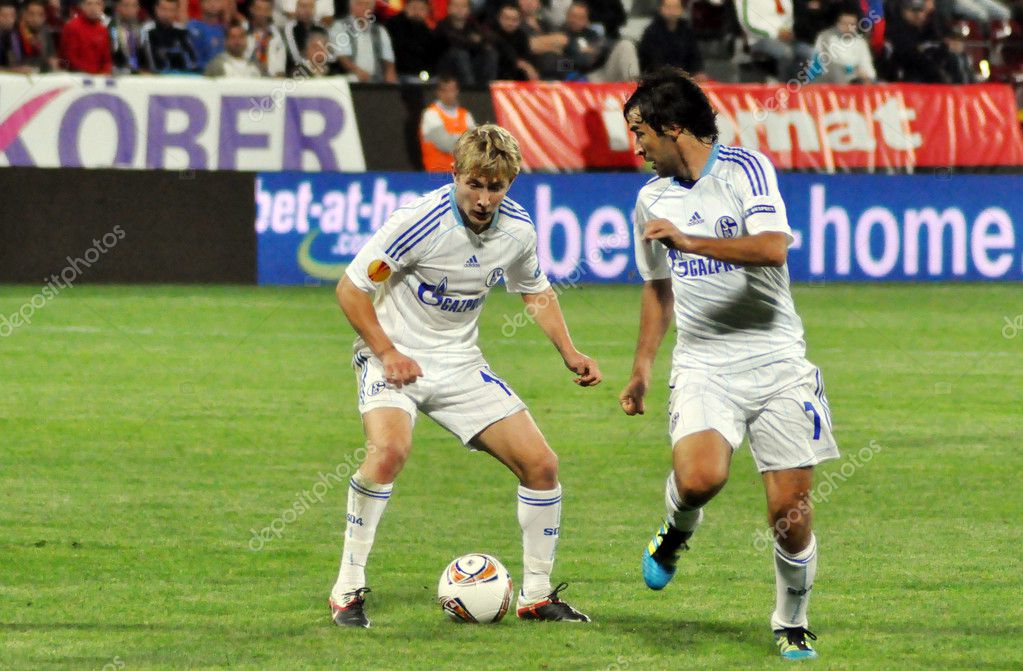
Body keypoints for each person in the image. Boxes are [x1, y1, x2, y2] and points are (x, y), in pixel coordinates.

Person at [330, 124, 601, 628]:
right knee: (389, 450)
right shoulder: (418, 221)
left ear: (510, 183)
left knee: (542, 465)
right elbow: (350, 289)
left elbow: (535, 292)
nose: (483, 198)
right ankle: (347, 589)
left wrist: (569, 351)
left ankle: (536, 596)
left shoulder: (517, 229)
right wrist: (387, 352)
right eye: (474, 184)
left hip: (459, 364)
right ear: (453, 174)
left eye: (495, 186)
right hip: (394, 358)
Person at [619, 68, 839, 661]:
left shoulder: (746, 169)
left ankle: (791, 622)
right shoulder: (650, 198)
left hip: (776, 361)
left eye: (640, 131)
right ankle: (673, 532)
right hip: (704, 364)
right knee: (698, 479)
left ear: (672, 126)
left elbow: (772, 247)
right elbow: (657, 289)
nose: (635, 146)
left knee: (788, 514)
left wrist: (692, 242)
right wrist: (641, 366)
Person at [735, 0, 815, 80]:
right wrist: (775, 33)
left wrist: (788, 31)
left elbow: (788, 17)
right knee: (785, 53)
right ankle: (783, 87)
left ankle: (797, 86)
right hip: (758, 39)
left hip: (784, 39)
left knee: (811, 54)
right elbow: (747, 23)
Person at [559, 0, 638, 81]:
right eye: (574, 16)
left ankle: (635, 86)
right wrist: (584, 58)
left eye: (581, 18)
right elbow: (560, 65)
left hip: (600, 72)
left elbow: (606, 47)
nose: (576, 21)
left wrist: (597, 50)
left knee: (626, 45)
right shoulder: (560, 35)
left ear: (586, 20)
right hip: (581, 78)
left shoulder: (591, 34)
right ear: (567, 16)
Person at [420, 74, 477, 171]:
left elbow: (477, 145)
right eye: (444, 91)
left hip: (461, 176)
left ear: (457, 91)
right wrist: (466, 140)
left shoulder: (465, 115)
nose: (449, 94)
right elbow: (445, 144)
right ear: (438, 92)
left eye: (452, 90)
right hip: (437, 176)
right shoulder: (431, 114)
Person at [807, 2, 876, 82]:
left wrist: (865, 75)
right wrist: (851, 70)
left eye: (851, 24)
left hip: (855, 80)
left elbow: (868, 67)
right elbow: (824, 64)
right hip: (828, 78)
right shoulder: (825, 37)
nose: (847, 27)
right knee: (837, 70)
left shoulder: (860, 42)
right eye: (844, 24)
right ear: (838, 23)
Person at [331, 0, 397, 82]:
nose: (363, 8)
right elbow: (342, 57)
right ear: (351, 7)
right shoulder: (340, 26)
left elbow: (388, 61)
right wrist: (360, 73)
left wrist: (391, 82)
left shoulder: (380, 31)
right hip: (350, 79)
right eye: (360, 4)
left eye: (367, 5)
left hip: (376, 81)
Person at [436, 0, 498, 85]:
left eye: (463, 6)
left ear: (469, 10)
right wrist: (472, 41)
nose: (459, 9)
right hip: (447, 67)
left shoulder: (473, 24)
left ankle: (488, 86)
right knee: (460, 53)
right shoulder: (442, 25)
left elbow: (488, 39)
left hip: (471, 62)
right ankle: (469, 88)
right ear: (449, 8)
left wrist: (474, 42)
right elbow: (454, 41)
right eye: (456, 6)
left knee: (490, 52)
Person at [637, 0, 705, 78]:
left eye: (676, 7)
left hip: (686, 77)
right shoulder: (651, 32)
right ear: (661, 9)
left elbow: (695, 56)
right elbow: (653, 62)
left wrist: (697, 72)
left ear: (682, 10)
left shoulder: (687, 30)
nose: (672, 11)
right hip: (657, 79)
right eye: (668, 7)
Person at [385, 0, 440, 81]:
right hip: (401, 74)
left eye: (421, 9)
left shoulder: (427, 32)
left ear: (427, 11)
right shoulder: (393, 26)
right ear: (406, 8)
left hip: (423, 75)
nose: (417, 12)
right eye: (414, 8)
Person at [143, 0, 200, 71]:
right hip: (154, 77)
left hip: (180, 77)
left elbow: (192, 60)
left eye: (171, 10)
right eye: (163, 9)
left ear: (176, 11)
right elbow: (150, 63)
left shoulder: (181, 31)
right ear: (156, 9)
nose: (167, 14)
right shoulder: (147, 30)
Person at [488, 2, 539, 80]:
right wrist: (525, 66)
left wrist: (527, 66)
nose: (510, 23)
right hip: (497, 76)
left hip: (518, 76)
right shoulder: (492, 33)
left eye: (514, 20)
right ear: (499, 18)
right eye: (507, 18)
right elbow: (505, 51)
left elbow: (526, 57)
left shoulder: (522, 36)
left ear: (519, 21)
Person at [61, 0, 113, 74]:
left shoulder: (103, 30)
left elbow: (107, 59)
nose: (93, 8)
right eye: (89, 4)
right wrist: (93, 73)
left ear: (103, 7)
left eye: (98, 4)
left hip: (100, 76)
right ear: (82, 6)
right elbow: (70, 58)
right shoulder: (72, 27)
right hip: (77, 75)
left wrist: (105, 72)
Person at [11, 0, 60, 72]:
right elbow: (15, 63)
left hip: (43, 75)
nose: (35, 19)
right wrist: (45, 63)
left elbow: (52, 55)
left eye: (40, 15)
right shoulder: (15, 33)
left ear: (44, 17)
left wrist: (53, 61)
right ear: (24, 14)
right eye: (31, 14)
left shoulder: (45, 32)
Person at [245, 0, 285, 75]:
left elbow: (280, 70)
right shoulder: (242, 32)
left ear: (270, 12)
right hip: (244, 79)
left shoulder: (277, 37)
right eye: (258, 9)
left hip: (270, 82)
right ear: (251, 9)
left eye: (266, 10)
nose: (262, 13)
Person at [187, 0, 227, 70]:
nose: (212, 4)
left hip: (220, 73)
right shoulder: (192, 27)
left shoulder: (224, 30)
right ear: (201, 4)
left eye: (216, 1)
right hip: (196, 73)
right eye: (208, 1)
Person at [109, 0, 146, 73]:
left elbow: (144, 55)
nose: (130, 9)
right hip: (117, 72)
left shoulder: (142, 28)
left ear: (138, 8)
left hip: (138, 72)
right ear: (118, 7)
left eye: (134, 6)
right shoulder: (111, 28)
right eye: (126, 5)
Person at [283, 0, 317, 75]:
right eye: (303, 6)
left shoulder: (320, 28)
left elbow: (330, 54)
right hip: (297, 71)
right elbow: (295, 58)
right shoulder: (290, 28)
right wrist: (312, 66)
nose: (307, 10)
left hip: (320, 68)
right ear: (296, 8)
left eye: (310, 7)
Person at [0, 0, 17, 70]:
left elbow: (14, 62)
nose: (9, 19)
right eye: (4, 15)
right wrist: (13, 70)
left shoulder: (14, 35)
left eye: (12, 15)